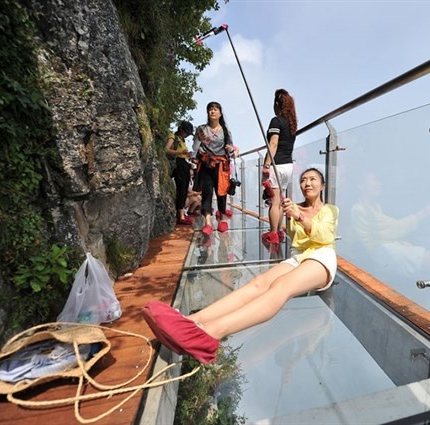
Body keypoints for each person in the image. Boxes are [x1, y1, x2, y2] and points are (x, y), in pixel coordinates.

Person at [142, 168, 339, 364]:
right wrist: (289, 214)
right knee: (258, 283)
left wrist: (299, 216)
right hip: (299, 257)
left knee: (281, 286)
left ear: (322, 185)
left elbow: (325, 237)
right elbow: (296, 239)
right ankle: (190, 322)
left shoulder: (330, 210)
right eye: (303, 180)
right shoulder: (294, 207)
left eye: (313, 179)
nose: (307, 183)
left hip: (322, 256)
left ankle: (209, 333)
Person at [192, 101, 235, 235]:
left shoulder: (225, 130)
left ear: (220, 113)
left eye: (216, 109)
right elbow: (195, 148)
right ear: (207, 112)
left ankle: (222, 218)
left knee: (222, 192)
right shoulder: (201, 129)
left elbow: (230, 148)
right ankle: (208, 222)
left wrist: (230, 149)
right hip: (206, 164)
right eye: (210, 109)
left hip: (221, 166)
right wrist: (199, 140)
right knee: (207, 192)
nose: (213, 111)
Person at [262, 89, 298, 245]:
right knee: (280, 199)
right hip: (288, 165)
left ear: (277, 103)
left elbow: (273, 144)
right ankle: (279, 230)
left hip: (277, 165)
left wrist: (266, 164)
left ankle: (273, 233)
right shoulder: (291, 124)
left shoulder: (276, 121)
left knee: (274, 201)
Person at [165, 120, 195, 225]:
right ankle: (180, 215)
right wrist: (180, 152)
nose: (187, 135)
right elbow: (166, 150)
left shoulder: (182, 140)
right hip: (178, 163)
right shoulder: (173, 137)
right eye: (186, 132)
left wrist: (187, 155)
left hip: (184, 163)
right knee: (181, 188)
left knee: (184, 188)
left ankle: (182, 213)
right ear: (181, 129)